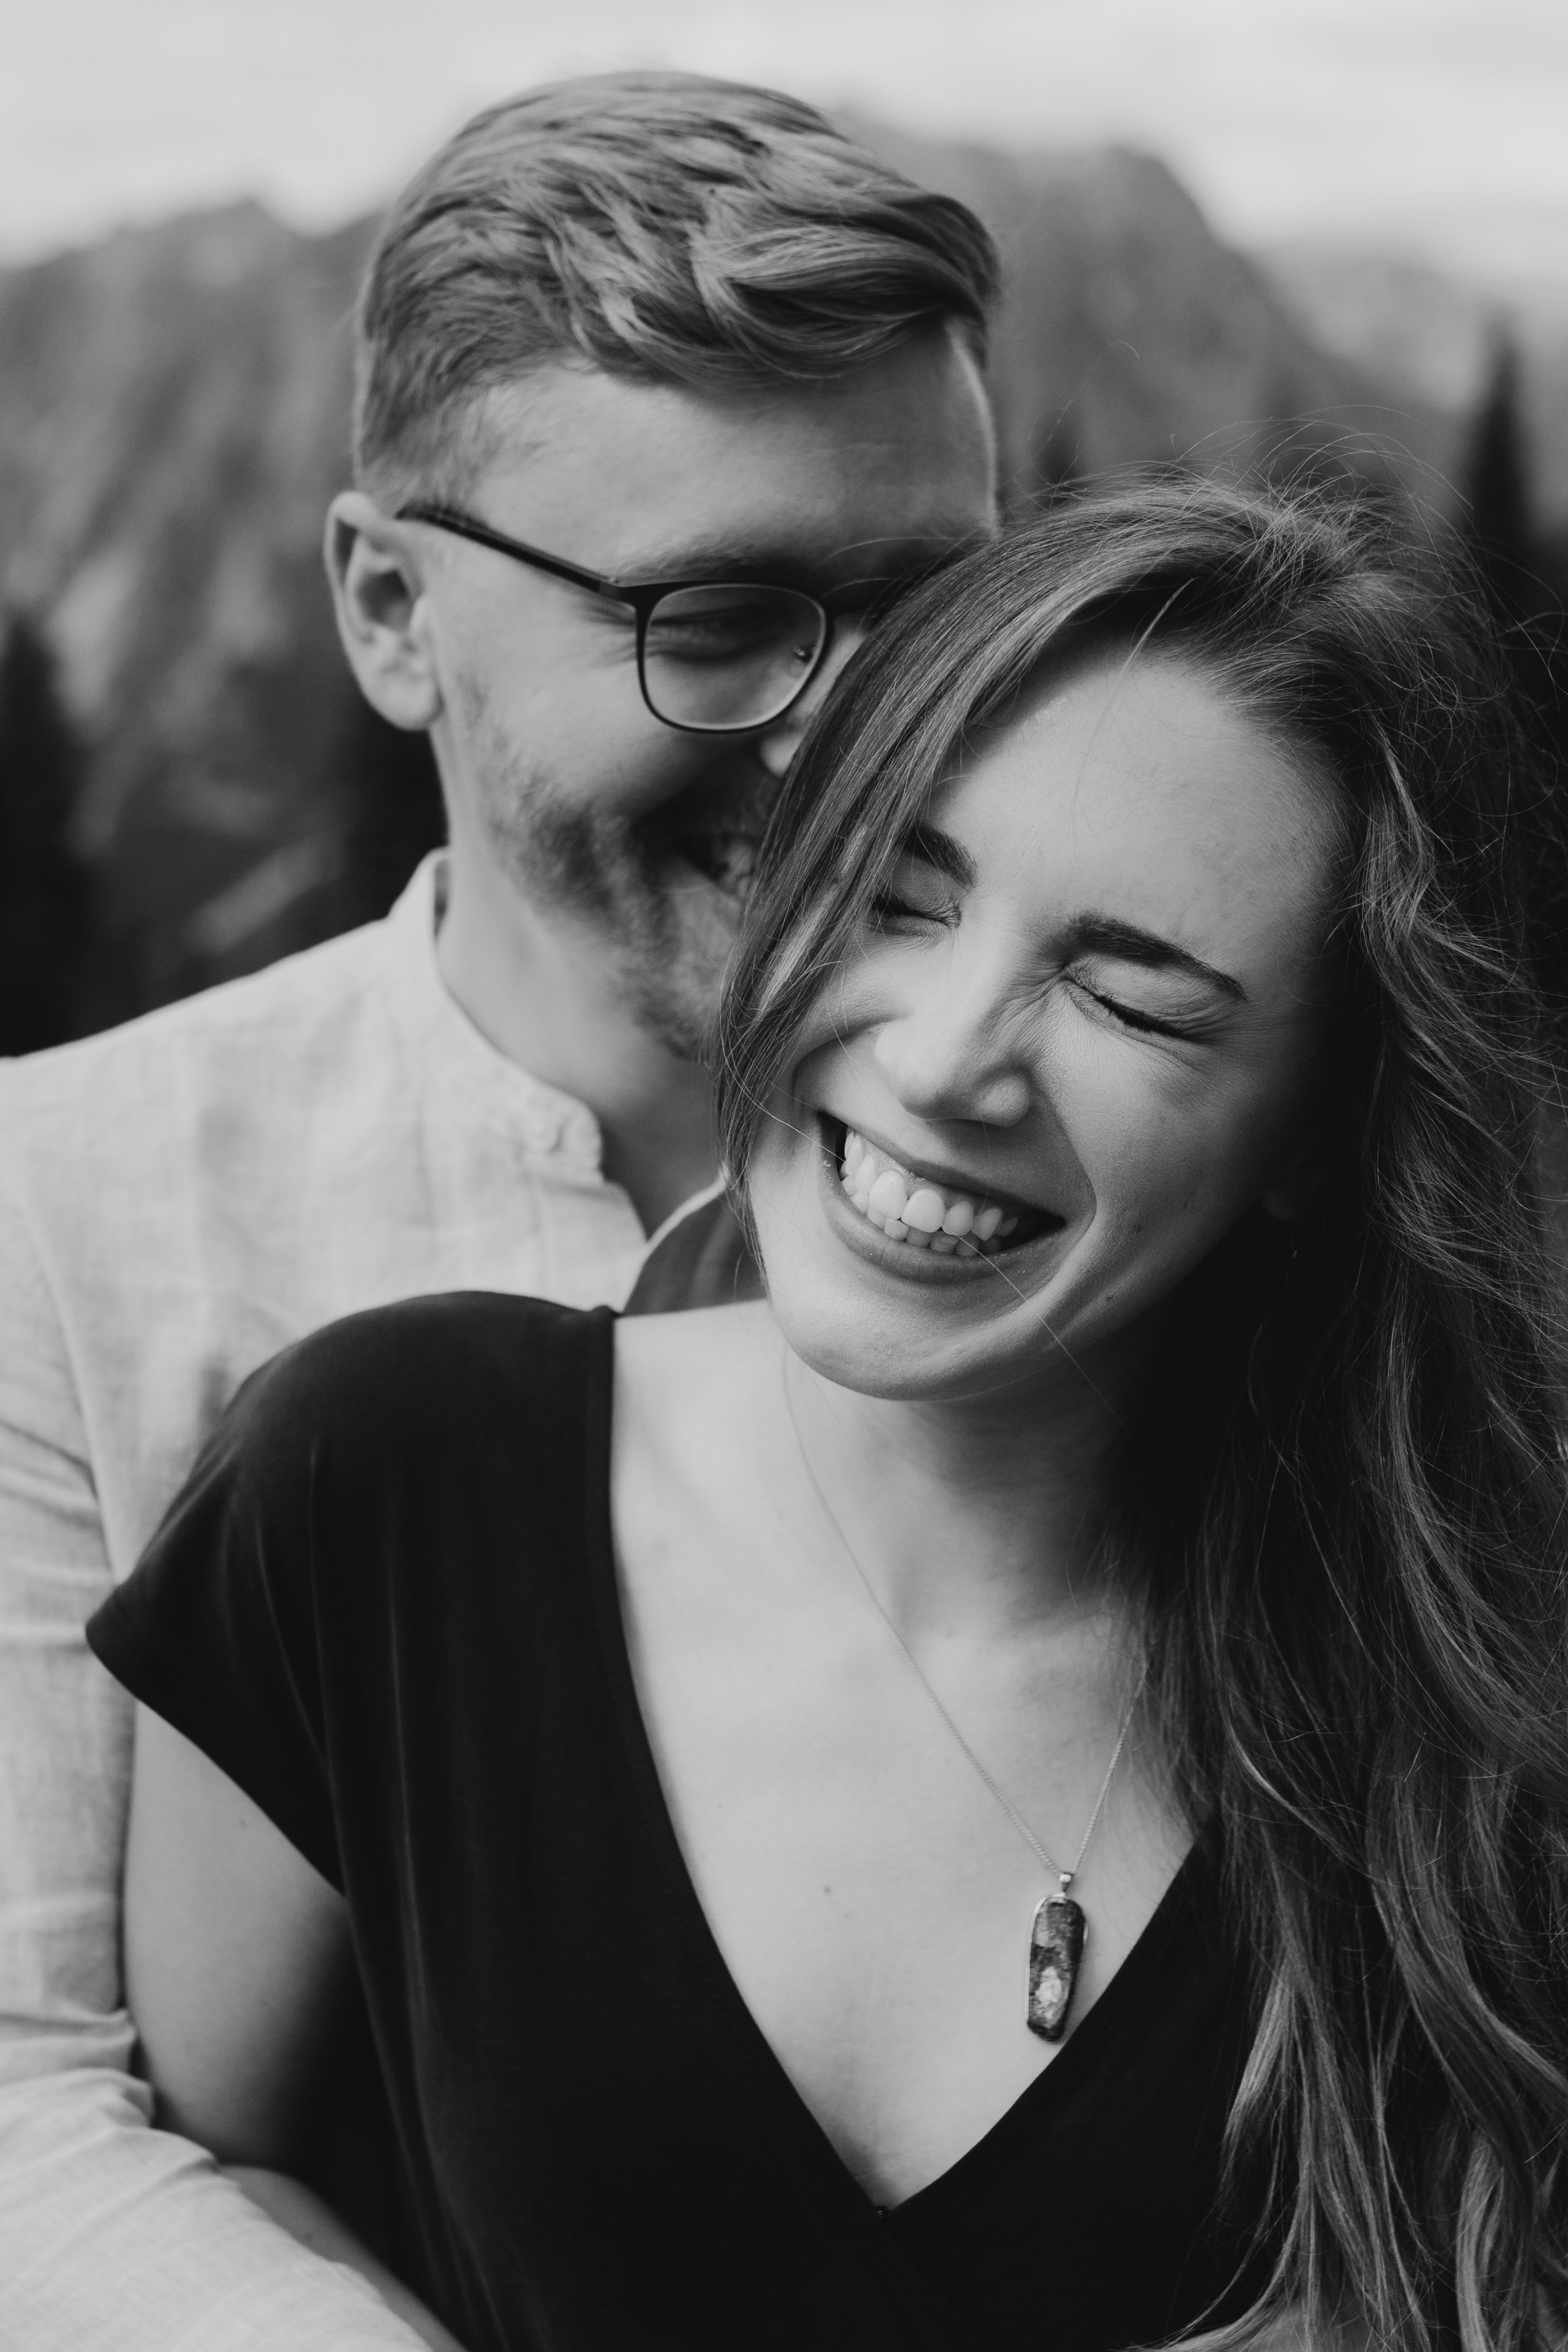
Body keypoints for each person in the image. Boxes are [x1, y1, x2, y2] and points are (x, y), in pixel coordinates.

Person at [84, 477, 1568, 2352]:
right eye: (896, 895)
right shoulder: (380, 1480)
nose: (947, 1060)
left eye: (1130, 1000)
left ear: (1307, 1139)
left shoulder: (1465, 1695)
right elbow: (200, 2173)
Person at [0, 73, 999, 2351]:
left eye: (935, 607)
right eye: (719, 615)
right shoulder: (52, 1214)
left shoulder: (1139, 1176)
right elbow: (27, 2114)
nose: (848, 732)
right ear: (387, 611)